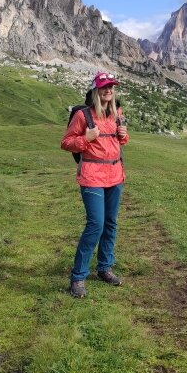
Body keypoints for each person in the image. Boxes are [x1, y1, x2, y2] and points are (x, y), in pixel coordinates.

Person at [61, 71, 129, 298]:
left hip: (115, 174)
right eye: (104, 87)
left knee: (110, 223)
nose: (108, 90)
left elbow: (121, 142)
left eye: (111, 87)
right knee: (95, 225)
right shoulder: (83, 116)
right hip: (92, 175)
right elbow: (66, 143)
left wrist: (123, 135)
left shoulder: (117, 113)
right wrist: (86, 139)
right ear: (95, 90)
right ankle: (78, 277)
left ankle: (104, 268)